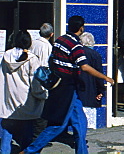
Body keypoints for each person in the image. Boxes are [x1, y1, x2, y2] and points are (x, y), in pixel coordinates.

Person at [23, 15, 115, 154]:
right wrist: (106, 77)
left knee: (80, 124)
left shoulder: (60, 40)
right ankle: (30, 151)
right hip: (67, 88)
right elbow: (84, 67)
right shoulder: (75, 45)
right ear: (81, 28)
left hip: (64, 86)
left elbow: (52, 60)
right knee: (58, 126)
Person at [0, 30, 46, 154]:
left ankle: (4, 151)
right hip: (26, 101)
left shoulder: (6, 56)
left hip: (9, 99)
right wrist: (42, 95)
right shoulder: (32, 59)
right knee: (27, 131)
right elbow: (36, 83)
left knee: (7, 129)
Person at [77, 32, 104, 131]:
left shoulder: (77, 53)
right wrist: (101, 90)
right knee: (88, 121)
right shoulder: (95, 55)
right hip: (91, 91)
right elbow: (99, 75)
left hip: (78, 89)